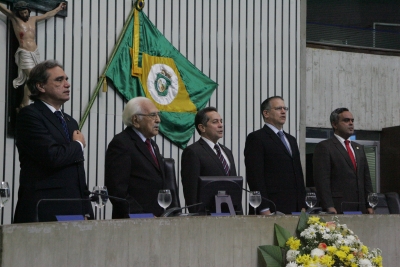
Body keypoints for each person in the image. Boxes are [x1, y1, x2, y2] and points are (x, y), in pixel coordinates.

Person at [14, 60, 93, 223]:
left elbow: (78, 170)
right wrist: (77, 145)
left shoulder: (70, 121)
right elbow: (52, 156)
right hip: (44, 209)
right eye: (59, 80)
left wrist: (86, 210)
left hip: (74, 210)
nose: (67, 84)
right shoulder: (30, 116)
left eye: (66, 79)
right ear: (41, 86)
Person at [105, 97, 178, 218]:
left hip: (159, 220)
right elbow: (118, 191)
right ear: (136, 120)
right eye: (153, 115)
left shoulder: (152, 145)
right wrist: (144, 216)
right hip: (134, 223)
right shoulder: (121, 143)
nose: (158, 120)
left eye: (158, 115)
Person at [244, 96, 306, 214]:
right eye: (278, 108)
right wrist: (263, 207)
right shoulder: (257, 138)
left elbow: (298, 173)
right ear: (266, 113)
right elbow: (255, 176)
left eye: (285, 108)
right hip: (272, 206)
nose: (283, 112)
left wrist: (303, 205)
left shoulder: (291, 140)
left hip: (295, 207)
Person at [0, 1, 66, 110]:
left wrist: (59, 8)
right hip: (24, 52)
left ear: (28, 11)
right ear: (18, 13)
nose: (24, 15)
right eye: (22, 13)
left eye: (25, 12)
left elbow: (47, 15)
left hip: (35, 52)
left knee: (32, 79)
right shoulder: (15, 19)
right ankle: (24, 104)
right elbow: (3, 9)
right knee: (33, 77)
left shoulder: (33, 19)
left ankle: (24, 104)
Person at [313, 108, 374, 214]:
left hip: (361, 207)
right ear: (335, 125)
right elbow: (322, 180)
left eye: (352, 120)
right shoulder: (325, 147)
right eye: (346, 120)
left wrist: (370, 204)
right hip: (338, 206)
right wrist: (329, 206)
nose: (351, 123)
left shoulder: (358, 148)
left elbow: (366, 179)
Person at [181, 107, 238, 213]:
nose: (221, 125)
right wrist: (196, 215)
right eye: (215, 122)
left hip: (232, 214)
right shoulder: (193, 152)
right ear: (202, 127)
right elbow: (191, 190)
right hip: (207, 215)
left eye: (221, 121)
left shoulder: (227, 152)